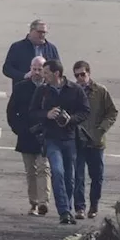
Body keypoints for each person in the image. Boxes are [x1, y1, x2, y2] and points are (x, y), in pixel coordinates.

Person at [31, 60, 90, 225]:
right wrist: (46, 114)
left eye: (47, 73)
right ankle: (64, 211)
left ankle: (69, 208)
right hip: (51, 138)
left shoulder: (75, 90)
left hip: (70, 138)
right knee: (57, 171)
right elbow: (33, 112)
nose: (44, 76)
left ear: (57, 73)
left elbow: (85, 111)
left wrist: (70, 119)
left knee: (69, 177)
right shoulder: (42, 91)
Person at [72, 60, 118, 220]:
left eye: (82, 74)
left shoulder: (100, 91)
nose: (80, 78)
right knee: (77, 176)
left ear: (89, 73)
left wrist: (101, 130)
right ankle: (79, 208)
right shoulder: (72, 91)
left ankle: (94, 205)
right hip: (78, 140)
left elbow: (112, 112)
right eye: (77, 75)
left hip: (96, 141)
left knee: (97, 176)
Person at [7, 56, 51, 216]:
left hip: (45, 135)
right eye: (34, 69)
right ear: (30, 69)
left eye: (40, 69)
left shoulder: (49, 88)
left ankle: (43, 202)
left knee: (43, 168)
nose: (37, 73)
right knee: (30, 171)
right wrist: (19, 129)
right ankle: (33, 202)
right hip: (26, 135)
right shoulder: (21, 87)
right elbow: (11, 111)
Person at [2, 19, 60, 89]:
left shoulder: (51, 48)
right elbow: (7, 69)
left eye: (44, 32)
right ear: (31, 31)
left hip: (46, 91)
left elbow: (58, 69)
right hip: (23, 90)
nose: (42, 35)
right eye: (39, 32)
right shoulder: (17, 47)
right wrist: (24, 76)